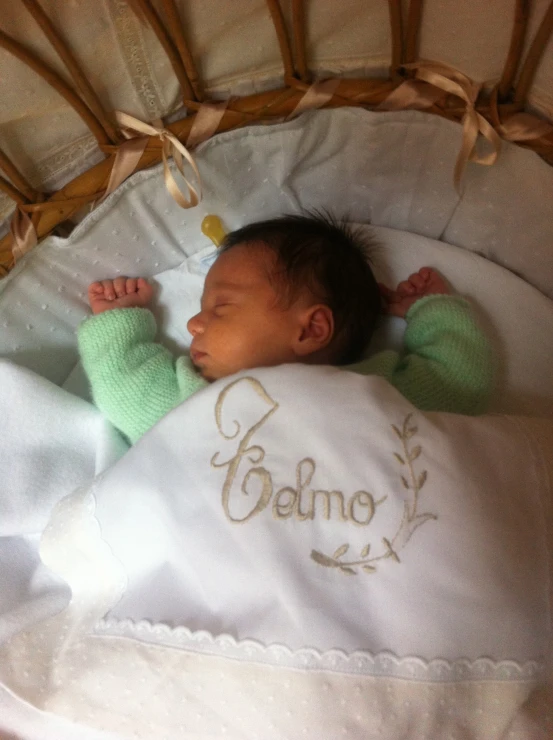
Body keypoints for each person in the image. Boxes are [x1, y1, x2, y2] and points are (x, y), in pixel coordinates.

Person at [78, 213, 494, 444]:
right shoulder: (196, 399)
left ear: (312, 329)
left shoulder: (377, 392)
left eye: (221, 307)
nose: (192, 323)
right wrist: (120, 323)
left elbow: (459, 383)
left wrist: (431, 310)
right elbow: (129, 394)